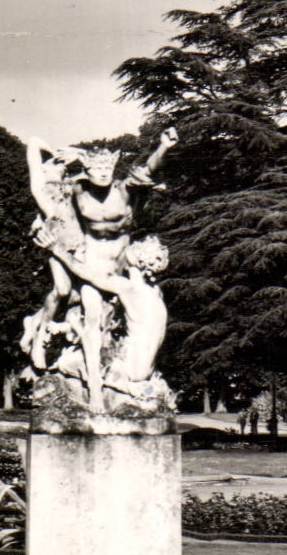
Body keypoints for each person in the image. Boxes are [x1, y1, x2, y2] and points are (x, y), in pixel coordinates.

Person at [22, 128, 178, 412]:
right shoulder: (78, 190)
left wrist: (163, 148)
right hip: (91, 259)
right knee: (91, 318)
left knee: (124, 323)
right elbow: (47, 198)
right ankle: (94, 389)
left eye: (109, 167)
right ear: (87, 169)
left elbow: (147, 170)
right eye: (97, 168)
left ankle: (107, 374)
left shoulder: (122, 190)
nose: (104, 173)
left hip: (119, 262)